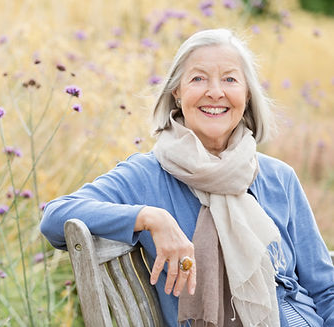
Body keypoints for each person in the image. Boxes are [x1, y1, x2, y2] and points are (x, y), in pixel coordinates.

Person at [40, 28, 334, 327]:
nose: (215, 92)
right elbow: (54, 216)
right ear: (177, 93)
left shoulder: (278, 177)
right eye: (198, 78)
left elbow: (325, 288)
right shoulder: (147, 176)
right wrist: (150, 217)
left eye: (230, 79)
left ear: (246, 94)